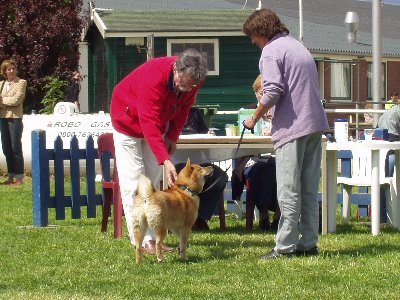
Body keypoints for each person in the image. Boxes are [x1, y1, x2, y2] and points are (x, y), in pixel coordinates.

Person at [242, 9, 329, 259]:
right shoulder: (297, 47)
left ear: (261, 32)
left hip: (293, 128)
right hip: (315, 124)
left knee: (288, 189)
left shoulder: (271, 51)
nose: (252, 42)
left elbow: (272, 91)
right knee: (309, 188)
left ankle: (284, 247)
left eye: (253, 36)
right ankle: (309, 243)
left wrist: (254, 117)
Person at [110, 49, 207, 255]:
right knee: (135, 182)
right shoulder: (153, 76)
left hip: (158, 123)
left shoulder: (193, 80)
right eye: (182, 83)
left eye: (190, 85)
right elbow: (148, 121)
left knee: (152, 181)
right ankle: (142, 240)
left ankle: (156, 237)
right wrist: (164, 158)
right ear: (176, 69)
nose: (185, 88)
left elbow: (183, 109)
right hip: (127, 120)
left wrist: (172, 136)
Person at [231, 75, 280, 231]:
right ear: (255, 94)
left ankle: (277, 215)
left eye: (268, 93)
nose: (264, 97)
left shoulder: (281, 111)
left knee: (276, 168)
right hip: (253, 158)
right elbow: (241, 135)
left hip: (278, 156)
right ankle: (265, 213)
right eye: (260, 93)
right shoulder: (248, 112)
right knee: (261, 169)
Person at [177, 107, 228, 231]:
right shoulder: (167, 110)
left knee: (220, 177)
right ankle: (182, 218)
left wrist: (209, 135)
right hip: (175, 161)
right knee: (187, 177)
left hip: (198, 162)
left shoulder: (194, 112)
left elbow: (205, 134)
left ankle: (200, 216)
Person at [0, 59, 27, 186]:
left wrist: (2, 100)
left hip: (15, 119)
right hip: (3, 118)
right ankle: (10, 176)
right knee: (6, 148)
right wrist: (7, 100)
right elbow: (10, 100)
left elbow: (17, 100)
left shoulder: (21, 82)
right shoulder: (1, 84)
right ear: (5, 71)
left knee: (16, 147)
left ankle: (19, 177)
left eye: (13, 68)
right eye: (9, 69)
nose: (11, 71)